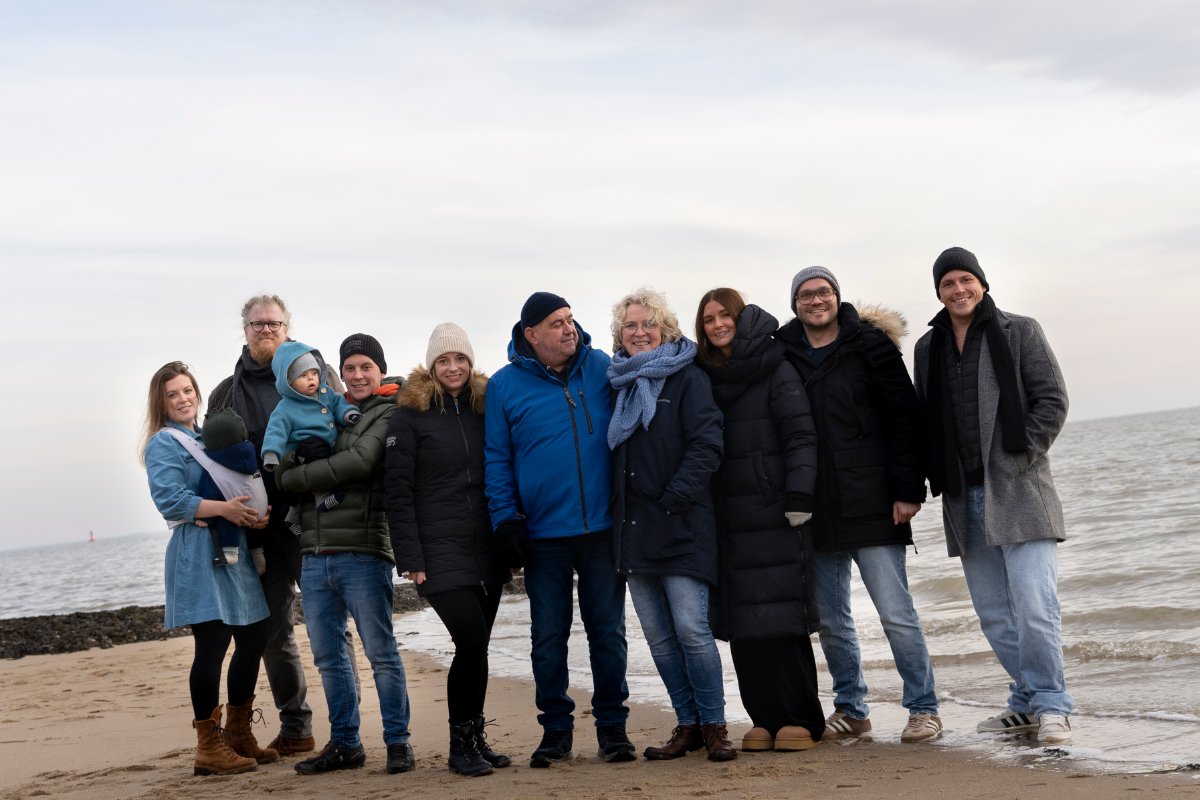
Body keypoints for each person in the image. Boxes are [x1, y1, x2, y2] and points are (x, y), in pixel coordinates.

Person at [914, 247, 1073, 745]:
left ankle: (1052, 706)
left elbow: (1053, 401)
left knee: (1034, 607)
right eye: (948, 283)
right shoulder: (927, 348)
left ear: (981, 283)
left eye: (966, 280)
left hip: (1020, 490)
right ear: (939, 292)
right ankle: (1026, 700)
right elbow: (926, 419)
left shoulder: (1019, 331)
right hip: (963, 497)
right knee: (995, 616)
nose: (958, 289)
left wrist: (1021, 456)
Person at [776, 267, 941, 743]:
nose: (816, 301)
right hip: (817, 508)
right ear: (795, 304)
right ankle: (851, 709)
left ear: (837, 297)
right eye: (806, 295)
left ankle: (924, 708)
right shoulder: (783, 353)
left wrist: (909, 490)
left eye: (823, 292)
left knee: (896, 614)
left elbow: (904, 417)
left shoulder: (871, 345)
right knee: (832, 620)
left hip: (875, 501)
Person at [484, 291, 633, 767]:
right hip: (542, 534)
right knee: (548, 637)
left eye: (570, 319)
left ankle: (613, 728)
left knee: (607, 632)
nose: (569, 329)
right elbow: (497, 458)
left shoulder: (601, 366)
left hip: (603, 528)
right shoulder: (504, 386)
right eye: (556, 323)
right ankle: (556, 731)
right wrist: (505, 519)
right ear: (531, 334)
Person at [276, 333, 415, 774]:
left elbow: (360, 461)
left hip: (363, 549)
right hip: (314, 553)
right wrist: (293, 464)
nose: (357, 375)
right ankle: (345, 744)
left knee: (381, 653)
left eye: (365, 367)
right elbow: (284, 463)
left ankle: (398, 743)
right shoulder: (325, 409)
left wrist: (294, 476)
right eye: (349, 368)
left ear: (380, 370)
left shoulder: (388, 410)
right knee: (329, 658)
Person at [694, 288, 825, 753]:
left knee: (782, 616)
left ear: (740, 317)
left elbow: (800, 434)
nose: (717, 325)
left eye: (724, 315)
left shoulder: (775, 366)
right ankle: (764, 718)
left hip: (775, 510)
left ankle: (802, 718)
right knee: (743, 623)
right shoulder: (704, 375)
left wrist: (799, 493)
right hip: (726, 515)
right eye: (708, 319)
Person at [606, 288, 734, 762]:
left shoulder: (687, 378)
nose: (640, 332)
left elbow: (707, 444)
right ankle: (688, 724)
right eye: (630, 325)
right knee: (659, 638)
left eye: (649, 324)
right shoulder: (615, 384)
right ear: (620, 334)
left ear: (665, 329)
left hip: (681, 524)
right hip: (633, 530)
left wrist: (672, 499)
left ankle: (715, 726)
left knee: (692, 630)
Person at [385, 322, 513, 778]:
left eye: (460, 358)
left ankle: (475, 738)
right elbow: (397, 492)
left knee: (478, 647)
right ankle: (460, 746)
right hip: (437, 551)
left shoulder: (485, 408)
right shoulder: (409, 416)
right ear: (432, 365)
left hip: (486, 548)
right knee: (470, 639)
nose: (453, 367)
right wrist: (410, 558)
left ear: (470, 362)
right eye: (444, 360)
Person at [141, 361, 277, 776]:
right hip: (198, 552)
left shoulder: (206, 438)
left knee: (254, 635)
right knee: (212, 646)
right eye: (173, 394)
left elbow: (232, 487)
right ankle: (208, 747)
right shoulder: (163, 443)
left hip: (232, 547)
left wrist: (251, 515)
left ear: (198, 394)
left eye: (187, 390)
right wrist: (225, 510)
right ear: (161, 403)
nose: (183, 399)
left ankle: (238, 733)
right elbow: (169, 500)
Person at [208, 295, 317, 756]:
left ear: (287, 327)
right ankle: (296, 728)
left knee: (330, 628)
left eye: (274, 323)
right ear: (245, 329)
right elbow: (214, 466)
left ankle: (347, 730)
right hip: (259, 533)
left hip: (314, 523)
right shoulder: (224, 395)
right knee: (273, 634)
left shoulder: (315, 375)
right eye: (257, 324)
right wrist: (241, 510)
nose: (266, 330)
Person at [262, 342, 361, 531]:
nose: (311, 379)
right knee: (317, 472)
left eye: (314, 373)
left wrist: (348, 413)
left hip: (326, 446)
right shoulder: (285, 407)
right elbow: (275, 431)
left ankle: (293, 516)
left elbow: (339, 404)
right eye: (303, 375)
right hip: (302, 449)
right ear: (288, 382)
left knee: (310, 482)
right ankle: (322, 498)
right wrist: (271, 453)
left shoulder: (326, 393)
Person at [196, 408, 266, 567]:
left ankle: (230, 552)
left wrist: (204, 518)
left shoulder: (215, 466)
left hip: (243, 510)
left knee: (225, 511)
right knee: (247, 517)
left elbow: (209, 492)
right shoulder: (252, 452)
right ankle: (257, 552)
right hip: (261, 509)